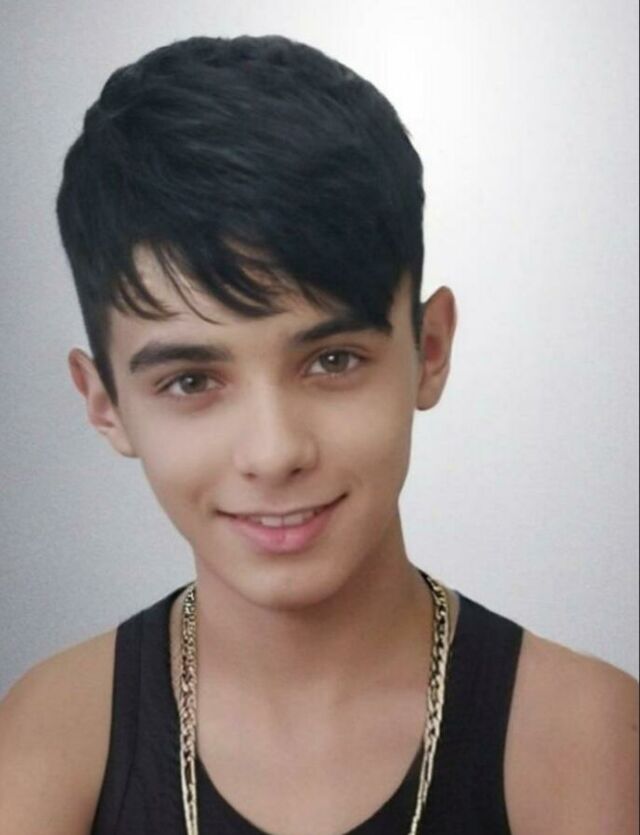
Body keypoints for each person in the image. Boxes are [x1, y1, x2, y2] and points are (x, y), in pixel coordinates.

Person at [0, 34, 637, 835]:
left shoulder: (585, 741)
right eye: (192, 381)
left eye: (332, 360)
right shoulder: (50, 743)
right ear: (105, 404)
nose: (274, 452)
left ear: (430, 350)